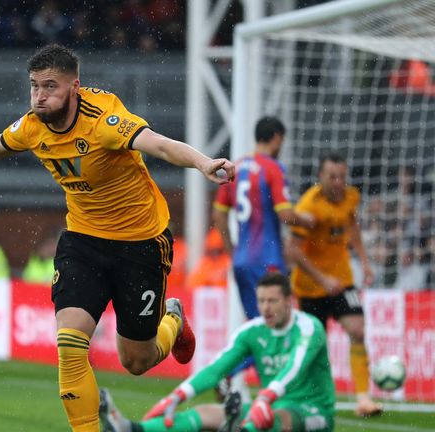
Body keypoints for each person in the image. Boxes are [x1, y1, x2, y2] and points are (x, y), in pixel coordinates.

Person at [0, 44, 235, 431]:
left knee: (136, 362)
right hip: (84, 242)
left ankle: (171, 318)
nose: (40, 96)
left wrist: (203, 162)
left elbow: (158, 143)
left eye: (50, 87)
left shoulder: (104, 120)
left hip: (140, 243)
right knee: (71, 346)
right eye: (34, 86)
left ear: (75, 87)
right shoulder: (31, 127)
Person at [100, 272, 336, 432]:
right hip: (266, 406)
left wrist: (266, 397)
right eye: (261, 301)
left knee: (279, 417)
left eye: (272, 301)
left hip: (314, 412)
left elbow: (294, 367)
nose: (265, 307)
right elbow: (216, 369)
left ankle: (240, 426)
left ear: (288, 301)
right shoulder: (252, 332)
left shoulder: (309, 327)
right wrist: (178, 395)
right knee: (204, 413)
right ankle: (131, 428)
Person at [287, 152, 382, 417]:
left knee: (357, 330)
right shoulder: (309, 206)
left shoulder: (351, 196)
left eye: (342, 176)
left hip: (342, 280)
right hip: (310, 286)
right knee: (316, 345)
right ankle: (310, 397)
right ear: (321, 177)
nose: (338, 182)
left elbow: (352, 226)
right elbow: (293, 250)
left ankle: (363, 399)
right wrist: (322, 278)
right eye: (332, 177)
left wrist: (364, 262)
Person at [212, 116, 314, 320]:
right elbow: (285, 215)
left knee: (255, 323)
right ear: (276, 138)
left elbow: (218, 214)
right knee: (278, 322)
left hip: (242, 261)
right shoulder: (273, 168)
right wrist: (306, 220)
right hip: (268, 259)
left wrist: (231, 250)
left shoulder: (236, 167)